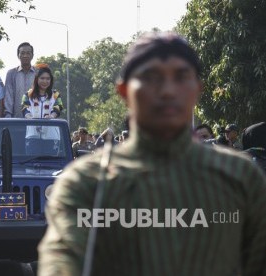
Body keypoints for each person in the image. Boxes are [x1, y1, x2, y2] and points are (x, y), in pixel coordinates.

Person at [38, 32, 266, 276]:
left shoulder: (240, 178)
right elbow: (62, 265)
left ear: (197, 88)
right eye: (151, 77)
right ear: (124, 91)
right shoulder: (86, 184)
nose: (168, 90)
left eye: (181, 77)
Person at [22, 64, 63, 155]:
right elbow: (24, 108)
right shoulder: (28, 95)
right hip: (32, 136)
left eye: (48, 79)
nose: (45, 81)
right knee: (32, 165)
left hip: (51, 136)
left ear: (51, 80)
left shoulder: (55, 95)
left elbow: (58, 107)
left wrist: (51, 116)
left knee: (50, 165)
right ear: (37, 79)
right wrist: (31, 119)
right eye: (42, 78)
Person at [4, 42, 36, 118]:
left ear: (32, 56)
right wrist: (8, 114)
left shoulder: (38, 73)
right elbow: (8, 95)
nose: (25, 56)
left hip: (35, 117)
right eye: (22, 53)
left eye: (28, 53)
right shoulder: (11, 73)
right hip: (16, 117)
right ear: (18, 55)